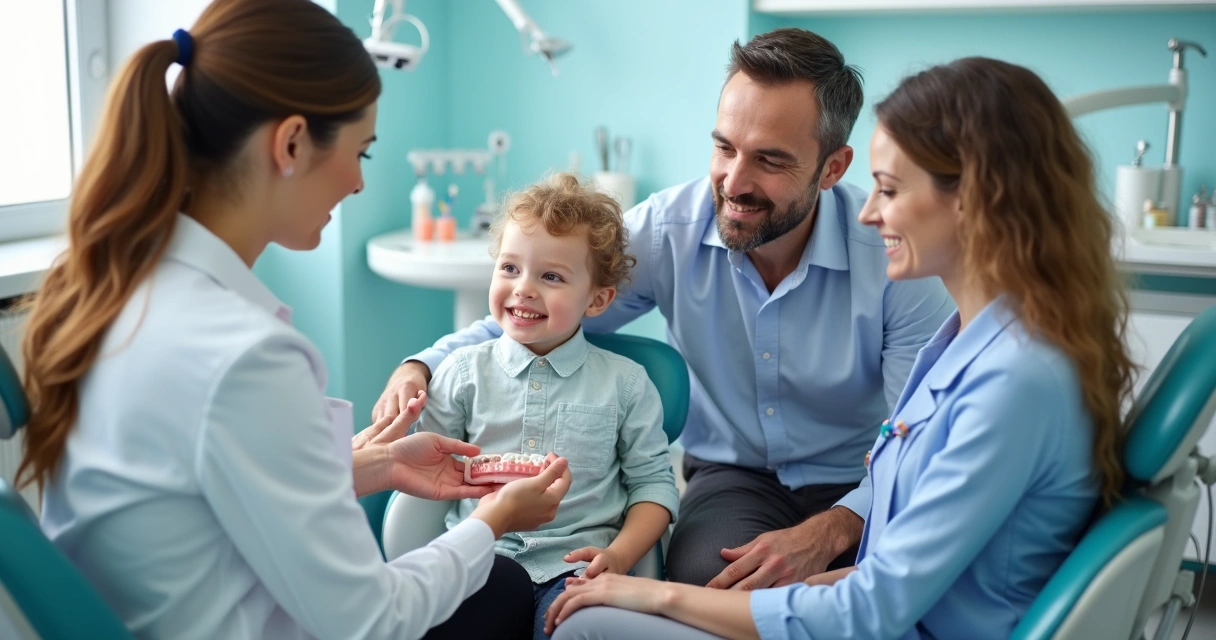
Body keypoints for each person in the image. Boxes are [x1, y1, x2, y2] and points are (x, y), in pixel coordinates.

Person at [16, 1, 572, 638]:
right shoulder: (244, 354)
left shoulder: (124, 290)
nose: (360, 185)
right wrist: (492, 522)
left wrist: (378, 462)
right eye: (361, 153)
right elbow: (371, 620)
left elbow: (208, 488)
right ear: (291, 143)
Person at [541, 56, 1136, 640]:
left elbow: (875, 605)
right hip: (804, 530)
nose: (871, 212)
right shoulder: (970, 345)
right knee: (630, 605)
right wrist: (442, 362)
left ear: (975, 199)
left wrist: (660, 596)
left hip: (891, 593)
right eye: (724, 147)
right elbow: (540, 304)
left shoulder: (1011, 379)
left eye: (890, 189)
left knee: (588, 626)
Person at [368, 28, 955, 590]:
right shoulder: (667, 231)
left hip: (865, 479)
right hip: (734, 478)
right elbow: (539, 313)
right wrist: (421, 364)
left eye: (770, 161)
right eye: (724, 147)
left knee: (897, 591)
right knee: (710, 585)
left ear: (833, 167)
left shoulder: (893, 257)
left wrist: (834, 527)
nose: (734, 180)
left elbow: (917, 437)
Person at [416, 173, 679, 639]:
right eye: (510, 268)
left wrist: (617, 556)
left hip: (577, 572)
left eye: (551, 276)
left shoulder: (626, 385)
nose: (524, 289)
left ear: (597, 299)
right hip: (483, 561)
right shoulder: (460, 373)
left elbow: (654, 488)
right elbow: (423, 472)